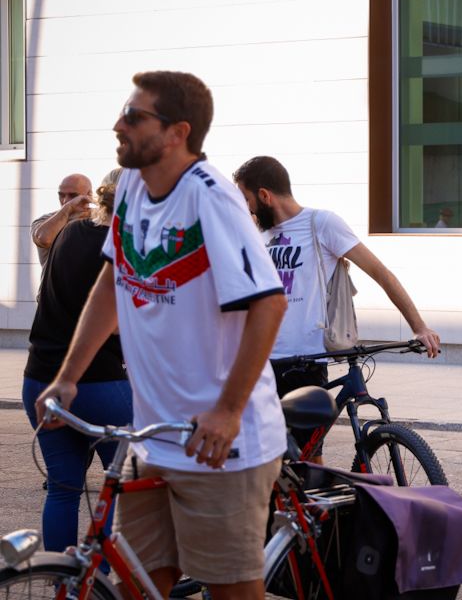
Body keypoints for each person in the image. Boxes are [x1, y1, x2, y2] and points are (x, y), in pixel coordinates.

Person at [36, 71, 288, 600]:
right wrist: (68, 377)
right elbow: (113, 281)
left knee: (232, 591)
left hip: (220, 445)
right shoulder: (131, 184)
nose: (118, 125)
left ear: (177, 132)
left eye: (134, 116)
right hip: (153, 438)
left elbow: (269, 302)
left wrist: (227, 412)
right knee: (139, 586)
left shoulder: (211, 197)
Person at [232, 155, 441, 453]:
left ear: (264, 196)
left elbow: (380, 272)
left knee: (308, 456)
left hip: (307, 364)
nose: (246, 208)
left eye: (246, 199)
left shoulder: (321, 223)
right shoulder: (257, 235)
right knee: (264, 459)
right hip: (262, 365)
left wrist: (419, 326)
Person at [22, 168, 132, 554]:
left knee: (63, 487)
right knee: (126, 483)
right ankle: (104, 576)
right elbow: (117, 325)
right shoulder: (125, 243)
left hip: (40, 377)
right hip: (98, 382)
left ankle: (66, 580)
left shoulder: (69, 233)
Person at [30, 173, 94, 267]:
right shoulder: (45, 220)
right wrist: (68, 208)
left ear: (89, 195)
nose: (65, 201)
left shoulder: (99, 218)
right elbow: (45, 239)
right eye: (61, 195)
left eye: (73, 196)